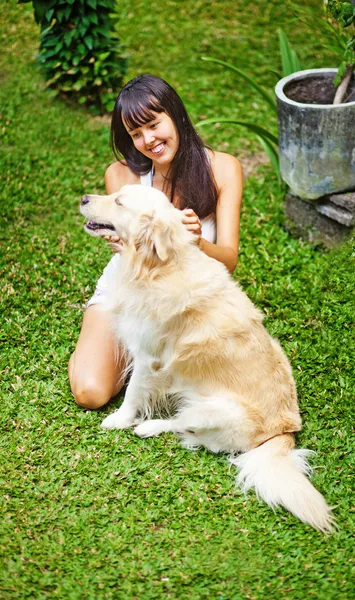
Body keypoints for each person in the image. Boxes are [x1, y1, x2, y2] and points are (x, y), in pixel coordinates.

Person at [69, 74, 243, 410]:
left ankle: (141, 359)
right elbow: (123, 243)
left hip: (182, 304)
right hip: (129, 292)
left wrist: (195, 242)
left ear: (175, 114)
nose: (148, 140)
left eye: (153, 124)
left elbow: (229, 261)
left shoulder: (222, 169)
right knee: (90, 393)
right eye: (136, 133)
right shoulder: (121, 175)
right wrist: (121, 240)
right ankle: (115, 353)